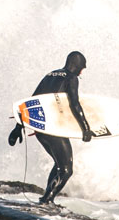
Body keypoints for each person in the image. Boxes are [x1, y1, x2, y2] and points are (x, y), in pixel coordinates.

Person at [10, 51, 92, 206]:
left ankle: (46, 199)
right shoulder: (71, 77)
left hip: (41, 130)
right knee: (67, 170)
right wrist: (85, 128)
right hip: (53, 128)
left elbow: (31, 102)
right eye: (82, 68)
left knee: (59, 164)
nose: (82, 72)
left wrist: (18, 127)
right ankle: (47, 201)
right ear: (75, 65)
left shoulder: (50, 75)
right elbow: (75, 104)